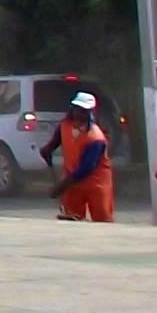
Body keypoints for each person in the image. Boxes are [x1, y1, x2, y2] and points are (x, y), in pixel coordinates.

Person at [54, 91, 113, 222]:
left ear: (91, 113)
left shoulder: (96, 138)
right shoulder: (65, 125)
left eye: (84, 111)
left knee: (102, 222)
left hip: (96, 184)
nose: (79, 113)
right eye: (77, 109)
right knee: (70, 219)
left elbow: (87, 167)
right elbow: (55, 141)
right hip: (73, 183)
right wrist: (46, 151)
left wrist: (61, 187)